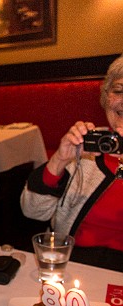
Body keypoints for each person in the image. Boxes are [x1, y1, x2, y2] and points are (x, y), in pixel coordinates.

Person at [20, 55, 123, 271]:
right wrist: (60, 158)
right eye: (119, 90)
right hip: (71, 262)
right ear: (106, 97)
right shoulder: (87, 147)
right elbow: (32, 211)